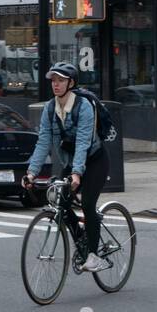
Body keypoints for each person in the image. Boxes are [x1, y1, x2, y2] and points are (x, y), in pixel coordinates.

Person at [23, 63, 109, 273]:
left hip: (94, 160)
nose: (56, 84)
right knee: (58, 200)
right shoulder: (50, 108)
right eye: (53, 80)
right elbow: (43, 142)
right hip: (71, 163)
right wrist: (31, 172)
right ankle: (81, 239)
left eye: (61, 80)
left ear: (71, 83)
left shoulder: (84, 106)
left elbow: (83, 142)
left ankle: (94, 256)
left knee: (88, 204)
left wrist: (77, 174)